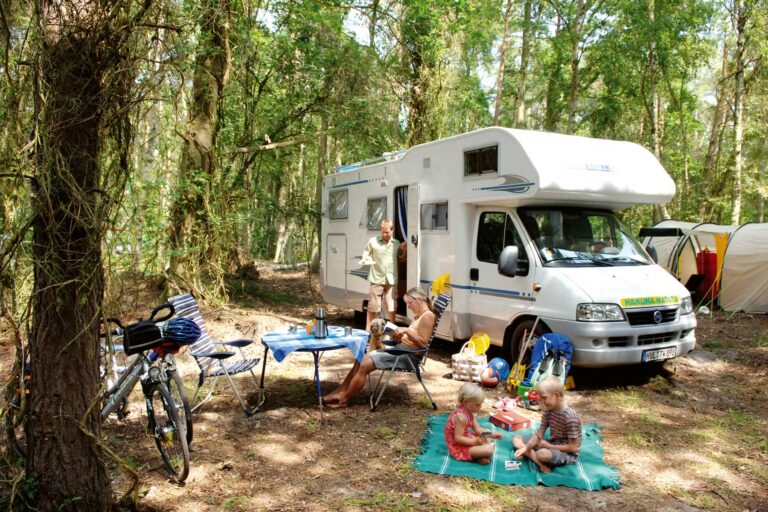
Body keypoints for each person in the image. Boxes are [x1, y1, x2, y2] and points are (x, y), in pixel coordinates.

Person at [322, 287, 435, 408]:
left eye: (410, 303)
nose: (408, 306)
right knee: (360, 359)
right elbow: (414, 338)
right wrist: (399, 336)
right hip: (400, 350)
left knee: (364, 365)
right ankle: (340, 391)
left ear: (419, 300)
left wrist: (407, 330)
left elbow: (422, 344)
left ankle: (344, 399)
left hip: (407, 356)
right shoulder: (419, 315)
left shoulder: (428, 316)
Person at [513, 375, 582, 473]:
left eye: (544, 398)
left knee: (542, 454)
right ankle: (539, 463)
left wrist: (549, 447)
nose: (541, 401)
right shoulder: (549, 410)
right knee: (517, 438)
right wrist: (526, 447)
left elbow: (573, 447)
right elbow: (539, 434)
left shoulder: (570, 418)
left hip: (567, 452)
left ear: (557, 395)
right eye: (540, 398)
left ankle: (533, 455)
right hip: (552, 443)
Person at [362, 219, 406, 332]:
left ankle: (392, 332)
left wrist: (405, 250)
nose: (384, 234)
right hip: (377, 278)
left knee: (392, 306)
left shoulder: (396, 244)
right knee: (373, 307)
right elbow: (366, 253)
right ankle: (368, 333)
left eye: (386, 232)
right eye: (382, 231)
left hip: (391, 280)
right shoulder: (373, 241)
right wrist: (366, 258)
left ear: (392, 230)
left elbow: (401, 258)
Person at [444, 382, 503, 465]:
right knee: (489, 450)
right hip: (458, 447)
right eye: (477, 405)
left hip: (467, 439)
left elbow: (478, 429)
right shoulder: (461, 418)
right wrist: (474, 442)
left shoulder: (469, 413)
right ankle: (480, 455)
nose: (480, 407)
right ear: (465, 402)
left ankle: (480, 454)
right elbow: (458, 438)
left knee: (486, 433)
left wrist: (492, 434)